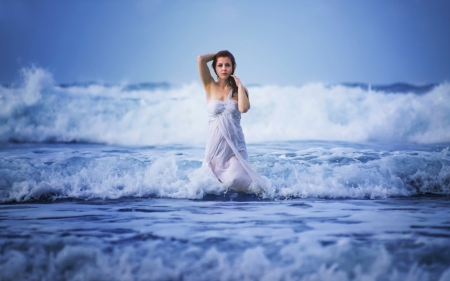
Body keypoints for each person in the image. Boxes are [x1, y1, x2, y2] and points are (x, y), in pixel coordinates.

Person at [197, 50, 266, 192]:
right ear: (215, 68)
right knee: (212, 183)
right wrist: (219, 53)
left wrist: (240, 86)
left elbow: (244, 108)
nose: (223, 68)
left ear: (233, 67)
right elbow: (201, 59)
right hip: (215, 147)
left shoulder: (240, 90)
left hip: (234, 146)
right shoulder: (209, 85)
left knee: (237, 180)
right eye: (220, 65)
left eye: (227, 65)